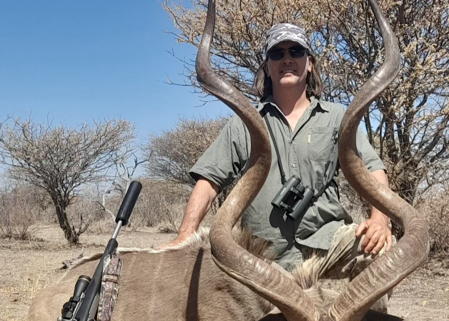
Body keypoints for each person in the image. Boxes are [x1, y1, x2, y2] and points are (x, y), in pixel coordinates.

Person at [167, 22, 392, 273]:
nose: (287, 59)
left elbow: (373, 169)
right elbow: (209, 182)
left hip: (327, 248)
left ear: (309, 63)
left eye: (296, 51)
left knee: (379, 253)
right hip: (260, 257)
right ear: (267, 67)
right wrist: (185, 236)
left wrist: (380, 219)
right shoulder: (245, 121)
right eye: (277, 53)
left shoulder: (337, 116)